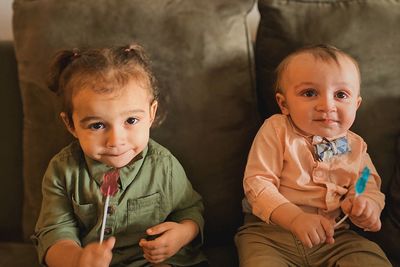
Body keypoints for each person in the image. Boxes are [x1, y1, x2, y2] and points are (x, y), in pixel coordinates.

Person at [32, 43, 207, 267]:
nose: (116, 141)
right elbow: (54, 232)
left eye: (131, 121)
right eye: (97, 125)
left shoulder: (164, 166)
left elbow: (190, 209)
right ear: (71, 124)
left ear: (151, 114)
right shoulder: (63, 171)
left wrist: (181, 234)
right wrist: (78, 259)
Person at [235, 44, 392, 266]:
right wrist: (294, 218)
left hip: (335, 238)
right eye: (310, 93)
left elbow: (367, 181)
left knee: (370, 259)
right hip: (270, 235)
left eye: (340, 95)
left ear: (356, 105)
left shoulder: (357, 147)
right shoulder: (277, 130)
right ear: (284, 103)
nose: (326, 105)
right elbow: (257, 183)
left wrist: (367, 206)